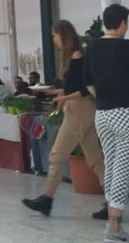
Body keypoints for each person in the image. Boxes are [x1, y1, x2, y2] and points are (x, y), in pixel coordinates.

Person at [23, 19, 106, 219]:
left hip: (79, 111)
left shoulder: (77, 57)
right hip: (81, 110)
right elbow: (74, 87)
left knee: (57, 155)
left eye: (55, 36)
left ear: (63, 36)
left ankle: (47, 199)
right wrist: (54, 91)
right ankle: (114, 200)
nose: (53, 40)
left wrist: (64, 97)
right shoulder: (72, 57)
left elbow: (85, 89)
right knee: (95, 159)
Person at [83, 4, 129, 243]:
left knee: (110, 164)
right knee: (123, 169)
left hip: (103, 113)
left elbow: (86, 80)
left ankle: (112, 224)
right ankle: (115, 227)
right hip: (128, 112)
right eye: (126, 22)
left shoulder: (93, 47)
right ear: (121, 22)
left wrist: (102, 95)